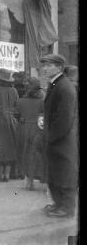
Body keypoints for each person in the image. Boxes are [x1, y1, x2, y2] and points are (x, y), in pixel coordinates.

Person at [39, 54, 78, 218]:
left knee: (64, 173)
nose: (45, 68)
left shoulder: (63, 86)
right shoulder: (57, 84)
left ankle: (66, 208)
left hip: (61, 140)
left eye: (49, 65)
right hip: (57, 139)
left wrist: (51, 137)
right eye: (44, 65)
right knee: (56, 173)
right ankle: (58, 204)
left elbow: (64, 118)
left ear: (59, 67)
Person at [16, 77, 45, 190]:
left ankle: (29, 180)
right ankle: (35, 178)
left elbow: (16, 114)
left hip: (23, 129)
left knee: (25, 153)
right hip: (37, 129)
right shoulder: (42, 102)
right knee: (36, 154)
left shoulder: (20, 101)